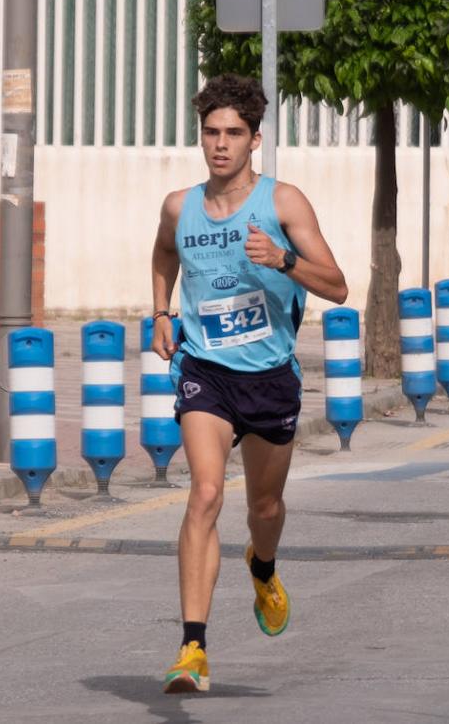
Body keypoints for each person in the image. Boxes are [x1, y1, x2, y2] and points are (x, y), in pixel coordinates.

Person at [150, 74, 348, 693]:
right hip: (205, 372)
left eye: (233, 133)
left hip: (270, 376)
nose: (220, 144)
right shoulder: (179, 207)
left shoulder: (283, 204)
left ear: (255, 140)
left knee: (263, 506)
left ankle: (262, 567)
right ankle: (192, 648)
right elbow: (163, 255)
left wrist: (283, 259)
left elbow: (337, 286)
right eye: (211, 132)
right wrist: (161, 311)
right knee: (206, 494)